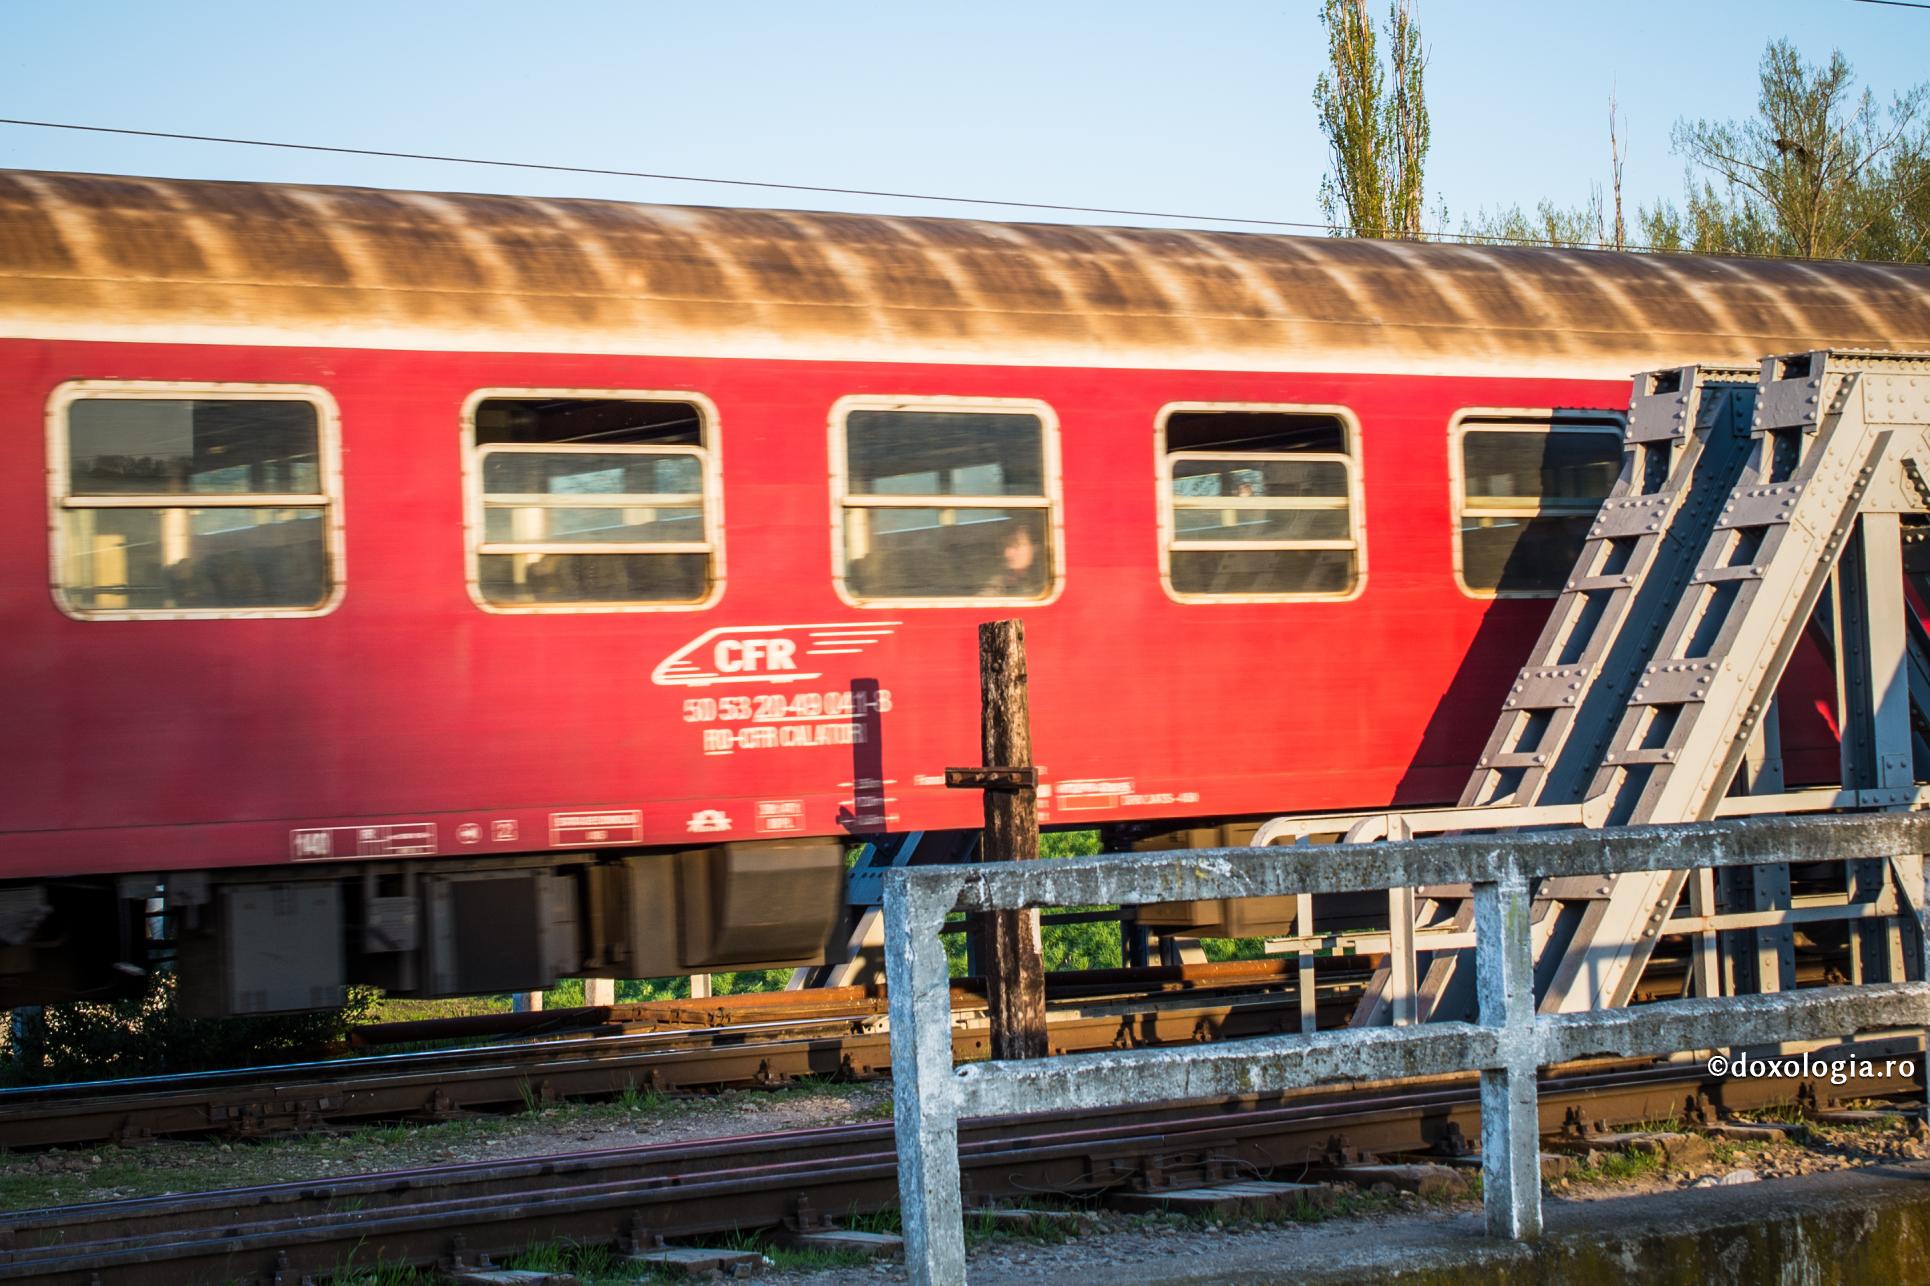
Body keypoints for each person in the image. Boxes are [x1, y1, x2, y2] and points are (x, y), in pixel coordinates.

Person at [980, 523, 1041, 596]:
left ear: (1035, 548)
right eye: (1006, 545)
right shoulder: (1000, 582)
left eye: (1016, 546)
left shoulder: (1044, 585)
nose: (1007, 554)